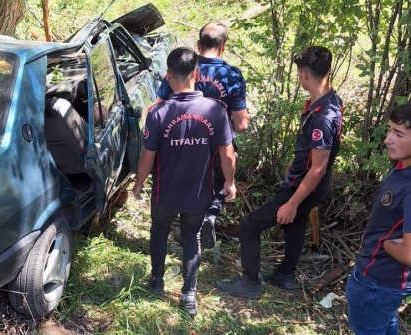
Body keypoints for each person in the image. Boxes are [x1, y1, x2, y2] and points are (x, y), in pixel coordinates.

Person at [215, 46, 343, 299]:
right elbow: (314, 157)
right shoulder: (329, 101)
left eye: (299, 73)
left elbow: (318, 168)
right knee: (295, 224)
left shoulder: (324, 117)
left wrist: (293, 202)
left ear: (304, 74)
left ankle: (250, 282)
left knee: (251, 226)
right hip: (307, 182)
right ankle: (285, 275)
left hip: (303, 187)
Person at [133, 47, 237, 316]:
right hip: (198, 193)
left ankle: (156, 282)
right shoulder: (215, 110)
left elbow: (147, 156)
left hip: (164, 192)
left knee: (159, 232)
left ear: (168, 75)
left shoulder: (158, 113)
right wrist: (230, 182)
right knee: (191, 238)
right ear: (197, 73)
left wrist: (138, 183)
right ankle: (188, 295)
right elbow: (228, 154)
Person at [150, 21, 250, 249]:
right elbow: (242, 125)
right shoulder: (232, 76)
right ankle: (209, 216)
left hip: (178, 142)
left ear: (198, 43)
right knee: (218, 181)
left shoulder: (182, 67)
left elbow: (157, 105)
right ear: (223, 46)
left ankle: (179, 227)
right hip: (215, 146)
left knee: (181, 181)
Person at [345, 102, 411, 335]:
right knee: (384, 324)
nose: (387, 139)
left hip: (378, 282)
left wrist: (386, 244)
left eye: (399, 133)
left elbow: (408, 253)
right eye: (390, 130)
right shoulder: (402, 166)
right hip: (380, 281)